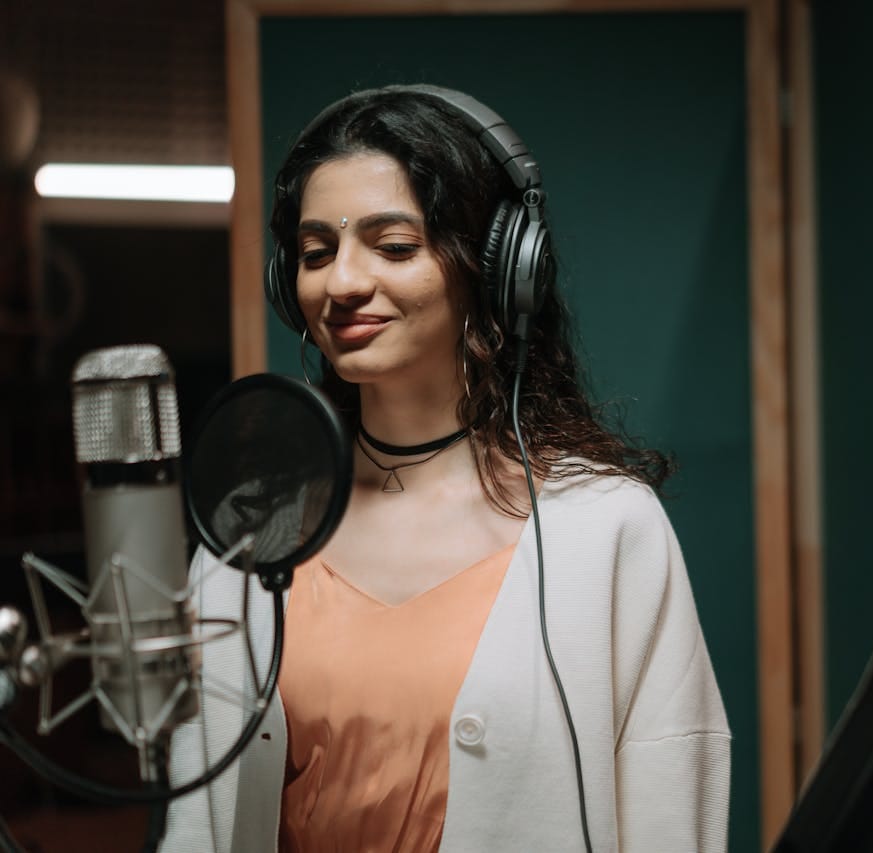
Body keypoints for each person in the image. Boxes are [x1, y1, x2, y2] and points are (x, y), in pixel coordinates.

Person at [161, 84, 730, 852]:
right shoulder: (249, 535)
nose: (342, 283)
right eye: (316, 252)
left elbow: (671, 807)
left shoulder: (608, 530)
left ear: (496, 270)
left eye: (394, 246)